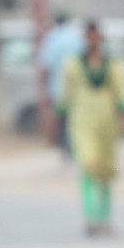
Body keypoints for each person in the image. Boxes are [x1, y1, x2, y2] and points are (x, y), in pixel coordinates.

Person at [61, 21, 124, 235]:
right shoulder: (73, 64)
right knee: (88, 165)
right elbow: (66, 94)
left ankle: (104, 218)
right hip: (82, 120)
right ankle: (91, 218)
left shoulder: (111, 64)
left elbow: (123, 91)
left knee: (105, 169)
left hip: (107, 122)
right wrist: (58, 117)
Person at [38, 11, 82, 154]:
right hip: (77, 88)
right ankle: (74, 145)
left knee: (61, 118)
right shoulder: (76, 37)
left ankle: (64, 147)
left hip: (57, 87)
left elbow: (45, 66)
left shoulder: (52, 39)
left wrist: (43, 88)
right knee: (74, 118)